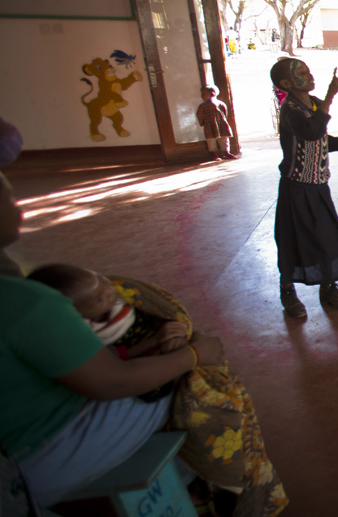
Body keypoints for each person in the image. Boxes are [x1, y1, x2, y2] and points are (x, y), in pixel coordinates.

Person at [0, 173, 230, 508]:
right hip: (34, 457)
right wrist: (195, 353)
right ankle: (210, 480)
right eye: (6, 199)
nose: (17, 209)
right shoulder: (22, 301)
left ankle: (187, 481)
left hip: (18, 445)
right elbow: (113, 382)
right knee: (191, 378)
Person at [24, 264, 288, 515]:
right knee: (202, 403)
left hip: (154, 359)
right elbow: (115, 366)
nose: (109, 293)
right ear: (78, 315)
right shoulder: (84, 332)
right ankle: (218, 481)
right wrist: (181, 351)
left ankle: (209, 478)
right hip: (136, 376)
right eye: (98, 300)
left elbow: (155, 310)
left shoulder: (119, 300)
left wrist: (173, 339)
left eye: (103, 283)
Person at [271, 57, 338, 319]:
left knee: (326, 239)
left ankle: (328, 287)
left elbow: (318, 138)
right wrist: (332, 96)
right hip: (296, 189)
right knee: (292, 241)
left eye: (308, 70)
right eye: (301, 73)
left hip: (318, 186)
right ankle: (287, 292)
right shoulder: (290, 109)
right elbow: (310, 131)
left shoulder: (310, 104)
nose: (309, 75)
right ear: (286, 83)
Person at [195, 86, 234, 161]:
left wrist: (223, 120)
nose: (202, 95)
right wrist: (202, 122)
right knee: (211, 140)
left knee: (224, 138)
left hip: (221, 123)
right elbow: (199, 115)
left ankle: (226, 152)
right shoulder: (202, 106)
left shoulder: (220, 104)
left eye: (204, 93)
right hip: (209, 125)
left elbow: (225, 112)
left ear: (212, 93)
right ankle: (214, 153)